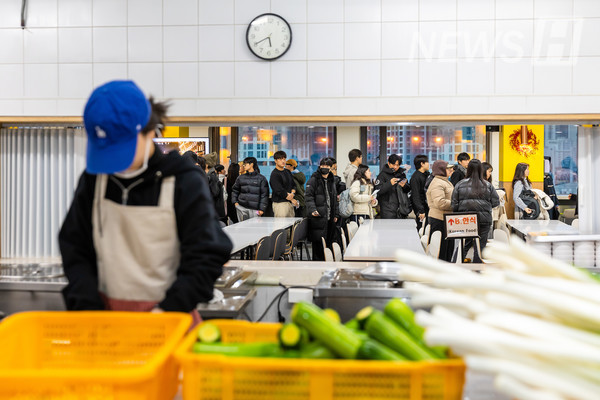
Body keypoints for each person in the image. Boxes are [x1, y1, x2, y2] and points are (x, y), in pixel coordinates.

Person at [58, 80, 232, 320]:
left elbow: (208, 254)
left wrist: (168, 310)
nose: (114, 161)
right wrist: (89, 307)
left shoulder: (182, 180)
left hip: (168, 319)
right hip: (103, 319)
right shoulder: (94, 180)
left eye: (122, 149)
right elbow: (75, 247)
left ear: (150, 130)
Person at [452, 159, 500, 263]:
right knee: (480, 247)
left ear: (468, 169)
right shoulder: (488, 185)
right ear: (480, 170)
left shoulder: (459, 184)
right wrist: (485, 207)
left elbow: (454, 205)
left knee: (464, 245)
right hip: (484, 220)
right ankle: (478, 271)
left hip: (466, 220)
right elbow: (496, 202)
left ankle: (456, 266)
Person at [305, 157, 338, 261]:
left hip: (329, 217)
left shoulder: (332, 180)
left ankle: (327, 265)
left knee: (328, 244)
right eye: (323, 166)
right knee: (318, 244)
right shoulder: (313, 179)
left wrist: (336, 214)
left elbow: (335, 199)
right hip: (318, 216)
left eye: (327, 166)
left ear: (331, 167)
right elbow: (308, 197)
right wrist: (313, 209)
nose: (325, 168)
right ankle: (317, 267)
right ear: (319, 167)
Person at [426, 161, 455, 262]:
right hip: (439, 220)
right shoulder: (437, 183)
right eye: (448, 168)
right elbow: (440, 203)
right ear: (441, 170)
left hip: (446, 220)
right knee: (441, 251)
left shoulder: (445, 181)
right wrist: (456, 204)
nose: (451, 170)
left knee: (448, 250)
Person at [231, 157, 269, 221]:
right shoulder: (240, 178)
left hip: (255, 210)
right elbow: (235, 190)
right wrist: (235, 203)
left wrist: (262, 209)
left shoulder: (261, 178)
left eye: (245, 164)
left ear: (251, 164)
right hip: (241, 208)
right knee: (242, 228)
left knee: (255, 229)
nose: (244, 166)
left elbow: (264, 195)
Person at [375, 154, 411, 219]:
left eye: (397, 165)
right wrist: (389, 183)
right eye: (393, 164)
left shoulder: (401, 174)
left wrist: (404, 186)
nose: (395, 167)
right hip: (387, 210)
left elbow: (408, 190)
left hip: (401, 209)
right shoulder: (382, 175)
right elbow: (378, 190)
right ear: (388, 163)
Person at [270, 150, 298, 217]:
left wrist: (292, 193)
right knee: (281, 225)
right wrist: (292, 199)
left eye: (284, 159)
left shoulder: (287, 171)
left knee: (291, 225)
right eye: (280, 159)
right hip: (280, 204)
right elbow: (279, 190)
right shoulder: (274, 174)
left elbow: (294, 185)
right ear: (275, 161)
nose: (283, 161)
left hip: (289, 203)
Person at [410, 155, 430, 231]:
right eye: (427, 162)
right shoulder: (415, 177)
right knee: (421, 229)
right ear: (422, 164)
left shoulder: (426, 174)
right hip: (422, 209)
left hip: (427, 207)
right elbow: (415, 195)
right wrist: (420, 210)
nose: (428, 164)